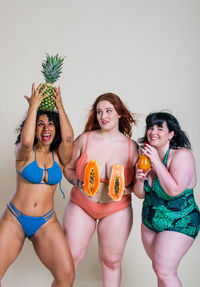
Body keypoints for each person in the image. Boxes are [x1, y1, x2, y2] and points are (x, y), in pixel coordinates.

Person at [0, 83, 75, 287]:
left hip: (45, 222)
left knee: (66, 276)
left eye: (50, 124)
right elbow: (25, 142)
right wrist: (34, 106)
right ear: (33, 127)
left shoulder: (59, 156)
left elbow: (69, 138)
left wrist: (59, 105)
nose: (46, 128)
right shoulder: (22, 153)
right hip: (15, 219)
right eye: (40, 124)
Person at [62, 93, 138, 287]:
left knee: (111, 262)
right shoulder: (84, 139)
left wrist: (124, 190)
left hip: (116, 208)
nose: (103, 116)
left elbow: (140, 187)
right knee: (70, 257)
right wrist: (78, 184)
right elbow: (68, 169)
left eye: (108, 111)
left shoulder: (132, 148)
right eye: (99, 112)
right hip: (82, 204)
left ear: (119, 113)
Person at [133, 112, 200, 287]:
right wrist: (140, 178)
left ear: (171, 134)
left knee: (164, 270)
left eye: (160, 128)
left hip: (180, 222)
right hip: (150, 223)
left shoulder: (182, 156)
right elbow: (140, 194)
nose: (153, 131)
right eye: (150, 127)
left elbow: (174, 190)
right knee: (162, 272)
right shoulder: (144, 156)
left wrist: (156, 161)